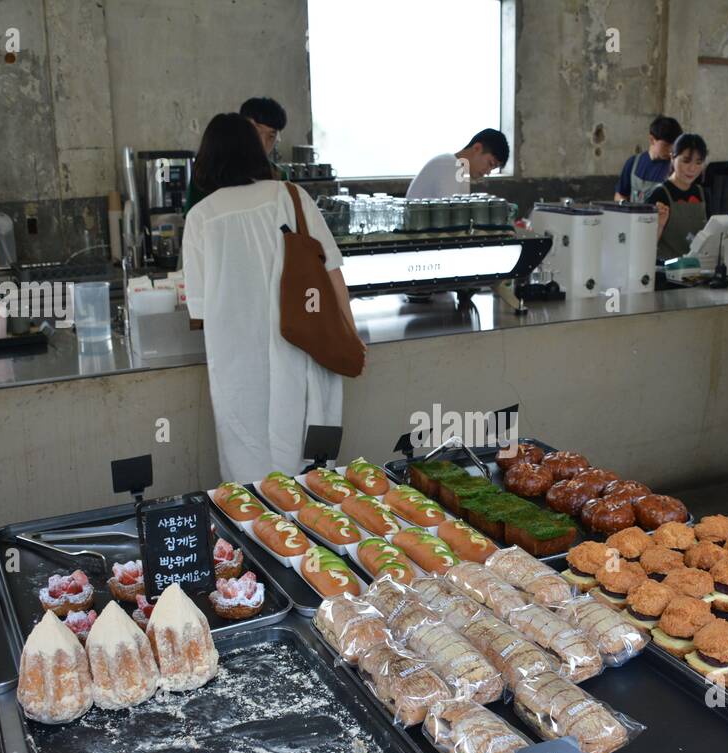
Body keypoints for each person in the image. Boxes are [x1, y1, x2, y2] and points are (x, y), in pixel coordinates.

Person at [182, 113, 363, 480]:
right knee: (313, 471)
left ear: (209, 158)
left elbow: (199, 305)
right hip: (306, 352)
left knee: (251, 474)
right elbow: (332, 271)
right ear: (255, 153)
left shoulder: (201, 217)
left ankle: (256, 533)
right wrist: (350, 333)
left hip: (239, 368)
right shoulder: (292, 197)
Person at [185, 96, 288, 213]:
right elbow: (193, 220)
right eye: (256, 132)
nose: (262, 143)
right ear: (241, 130)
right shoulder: (210, 172)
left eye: (271, 136)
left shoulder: (278, 176)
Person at [650, 133, 708, 261]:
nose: (692, 168)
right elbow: (644, 245)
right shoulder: (659, 194)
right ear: (672, 158)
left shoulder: (702, 193)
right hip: (667, 271)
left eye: (698, 162)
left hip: (697, 269)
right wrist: (659, 225)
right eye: (686, 161)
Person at [406, 129, 509, 199]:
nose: (488, 172)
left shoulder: (461, 171)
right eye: (490, 164)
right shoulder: (449, 165)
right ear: (477, 148)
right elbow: (449, 216)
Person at [614, 115, 683, 203]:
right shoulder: (633, 163)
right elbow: (620, 194)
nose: (670, 151)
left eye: (674, 146)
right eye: (666, 145)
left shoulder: (676, 167)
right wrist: (625, 205)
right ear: (652, 139)